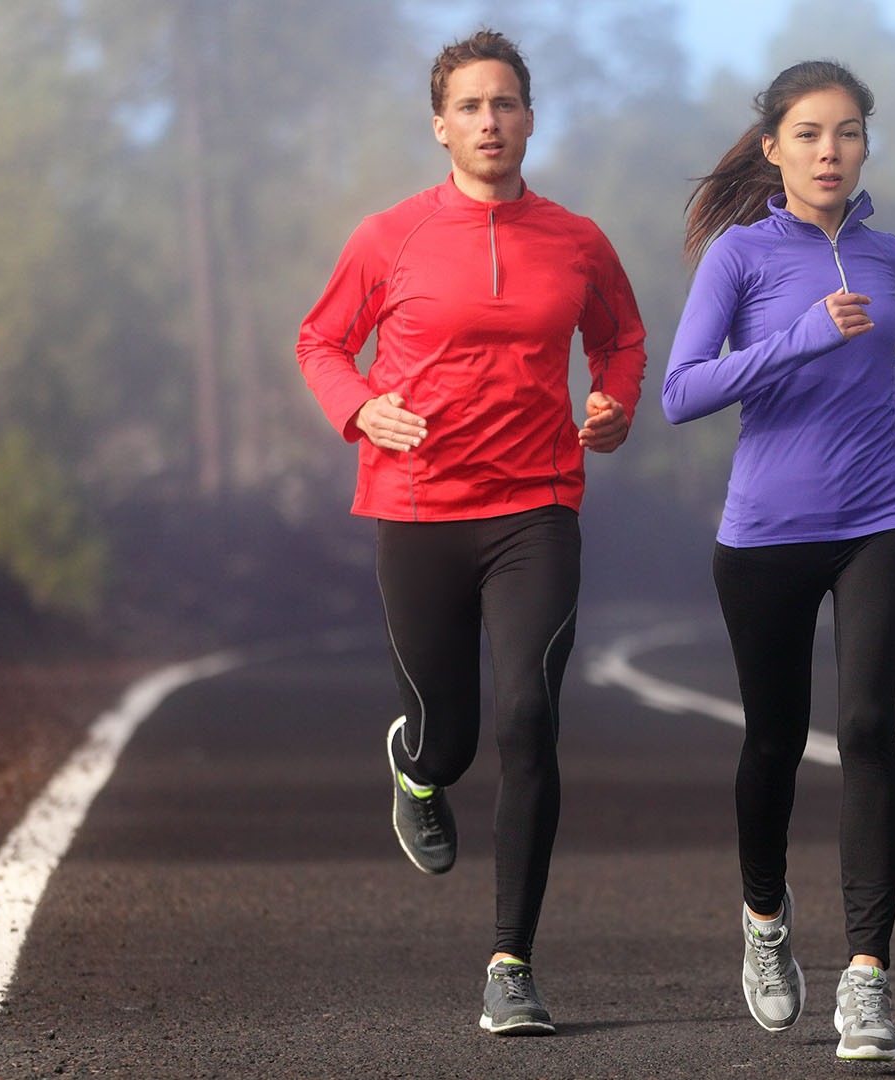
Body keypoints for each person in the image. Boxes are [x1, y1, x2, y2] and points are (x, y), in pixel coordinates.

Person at [295, 28, 646, 1037]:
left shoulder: (576, 239)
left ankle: (511, 964)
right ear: (440, 124)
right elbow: (321, 340)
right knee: (451, 737)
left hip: (537, 505)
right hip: (416, 510)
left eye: (507, 104)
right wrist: (359, 409)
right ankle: (415, 763)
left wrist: (611, 401)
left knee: (528, 717)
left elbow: (620, 337)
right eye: (471, 106)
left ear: (530, 119)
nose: (490, 121)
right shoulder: (389, 236)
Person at [662, 59, 895, 1063]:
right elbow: (683, 393)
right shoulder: (739, 260)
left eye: (848, 134)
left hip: (882, 514)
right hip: (766, 533)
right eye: (811, 134)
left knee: (869, 727)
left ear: (866, 144)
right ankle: (764, 920)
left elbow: (881, 362)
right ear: (773, 148)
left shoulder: (893, 256)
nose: (831, 151)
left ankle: (868, 980)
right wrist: (789, 339)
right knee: (775, 745)